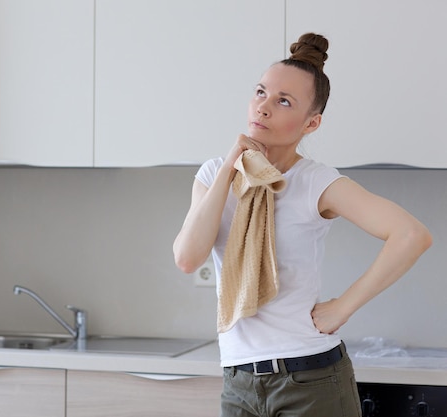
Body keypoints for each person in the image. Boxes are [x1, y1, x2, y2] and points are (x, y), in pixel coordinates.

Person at [173, 33, 432, 417]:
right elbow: (188, 258)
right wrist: (231, 167)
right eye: (260, 92)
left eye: (283, 101)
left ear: (311, 123)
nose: (263, 107)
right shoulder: (215, 174)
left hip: (310, 379)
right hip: (238, 381)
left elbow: (412, 235)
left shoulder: (317, 182)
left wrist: (344, 306)